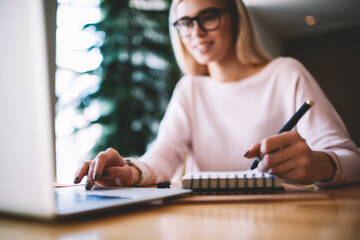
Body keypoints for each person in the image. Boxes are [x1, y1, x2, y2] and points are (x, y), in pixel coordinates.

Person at [74, 0, 360, 190]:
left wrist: (322, 164)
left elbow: (352, 158)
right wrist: (130, 169)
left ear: (235, 19)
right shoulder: (190, 88)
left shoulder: (286, 73)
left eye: (208, 16)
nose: (196, 31)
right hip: (207, 219)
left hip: (286, 217)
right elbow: (164, 153)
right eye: (185, 23)